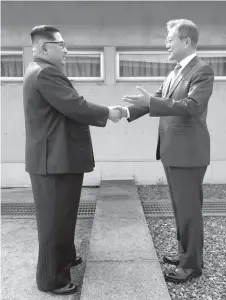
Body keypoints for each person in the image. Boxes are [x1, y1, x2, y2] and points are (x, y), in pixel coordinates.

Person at [23, 25, 121, 295]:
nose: (66, 49)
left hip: (56, 159)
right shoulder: (46, 73)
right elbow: (76, 106)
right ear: (45, 47)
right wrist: (110, 112)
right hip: (54, 162)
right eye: (61, 44)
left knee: (63, 218)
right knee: (55, 222)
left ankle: (65, 259)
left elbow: (69, 106)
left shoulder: (41, 71)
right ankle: (51, 279)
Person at [117, 19, 214, 283]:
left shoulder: (202, 71)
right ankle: (185, 254)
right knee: (179, 208)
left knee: (189, 210)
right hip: (172, 151)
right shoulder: (173, 72)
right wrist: (124, 112)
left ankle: (192, 265)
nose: (166, 43)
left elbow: (192, 106)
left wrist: (152, 101)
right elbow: (156, 100)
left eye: (170, 39)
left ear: (186, 41)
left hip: (189, 154)